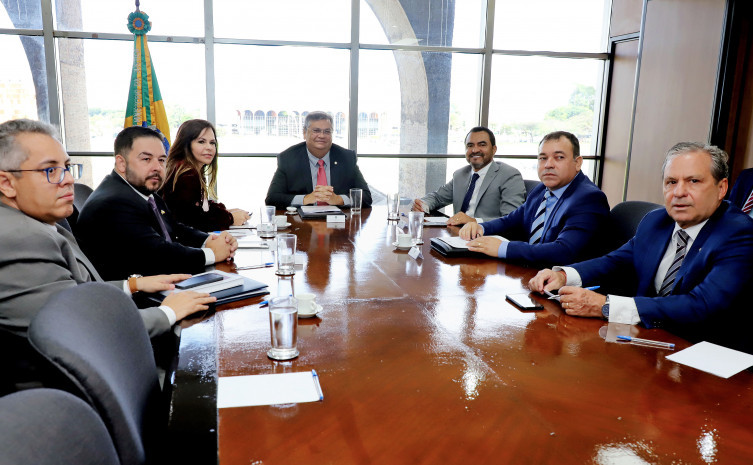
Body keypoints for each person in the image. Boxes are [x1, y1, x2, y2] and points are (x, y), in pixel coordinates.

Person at [0, 119, 219, 390]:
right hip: (76, 388)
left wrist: (133, 284)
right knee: (204, 375)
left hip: (90, 363)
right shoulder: (19, 238)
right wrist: (167, 314)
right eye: (50, 170)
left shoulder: (40, 222)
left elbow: (73, 292)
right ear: (7, 183)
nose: (68, 179)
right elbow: (79, 328)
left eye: (67, 167)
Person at [529, 142, 753, 350]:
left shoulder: (739, 233)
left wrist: (606, 306)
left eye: (693, 181)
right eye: (671, 182)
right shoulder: (656, 221)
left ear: (721, 188)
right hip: (647, 340)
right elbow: (616, 262)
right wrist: (563, 276)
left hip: (704, 352)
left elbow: (702, 305)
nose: (679, 192)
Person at [76, 126, 238, 280]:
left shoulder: (142, 191)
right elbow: (159, 255)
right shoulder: (114, 203)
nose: (157, 167)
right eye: (146, 159)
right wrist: (212, 254)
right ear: (121, 163)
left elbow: (174, 228)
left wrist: (210, 240)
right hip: (136, 294)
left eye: (161, 160)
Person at [459, 131, 609, 267]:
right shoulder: (542, 189)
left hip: (564, 283)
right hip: (531, 272)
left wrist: (502, 248)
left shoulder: (589, 199)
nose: (548, 165)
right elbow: (511, 220)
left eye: (559, 157)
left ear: (578, 163)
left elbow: (563, 251)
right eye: (543, 158)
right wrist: (480, 227)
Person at [411, 126, 525, 225]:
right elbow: (437, 197)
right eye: (470, 145)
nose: (475, 150)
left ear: (494, 149)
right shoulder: (460, 174)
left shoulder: (509, 175)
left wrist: (474, 222)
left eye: (482, 145)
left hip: (487, 237)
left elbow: (512, 219)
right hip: (456, 235)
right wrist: (423, 205)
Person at [265, 111, 372, 209]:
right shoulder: (288, 158)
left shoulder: (346, 158)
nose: (322, 136)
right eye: (316, 131)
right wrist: (305, 199)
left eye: (327, 131)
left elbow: (366, 197)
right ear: (304, 133)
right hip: (301, 222)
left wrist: (339, 199)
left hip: (339, 221)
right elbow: (272, 199)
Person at [160, 119, 250, 231]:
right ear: (186, 144)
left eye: (212, 143)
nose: (209, 147)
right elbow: (192, 220)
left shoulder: (188, 169)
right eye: (201, 142)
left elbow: (200, 207)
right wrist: (230, 218)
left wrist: (226, 212)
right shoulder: (187, 174)